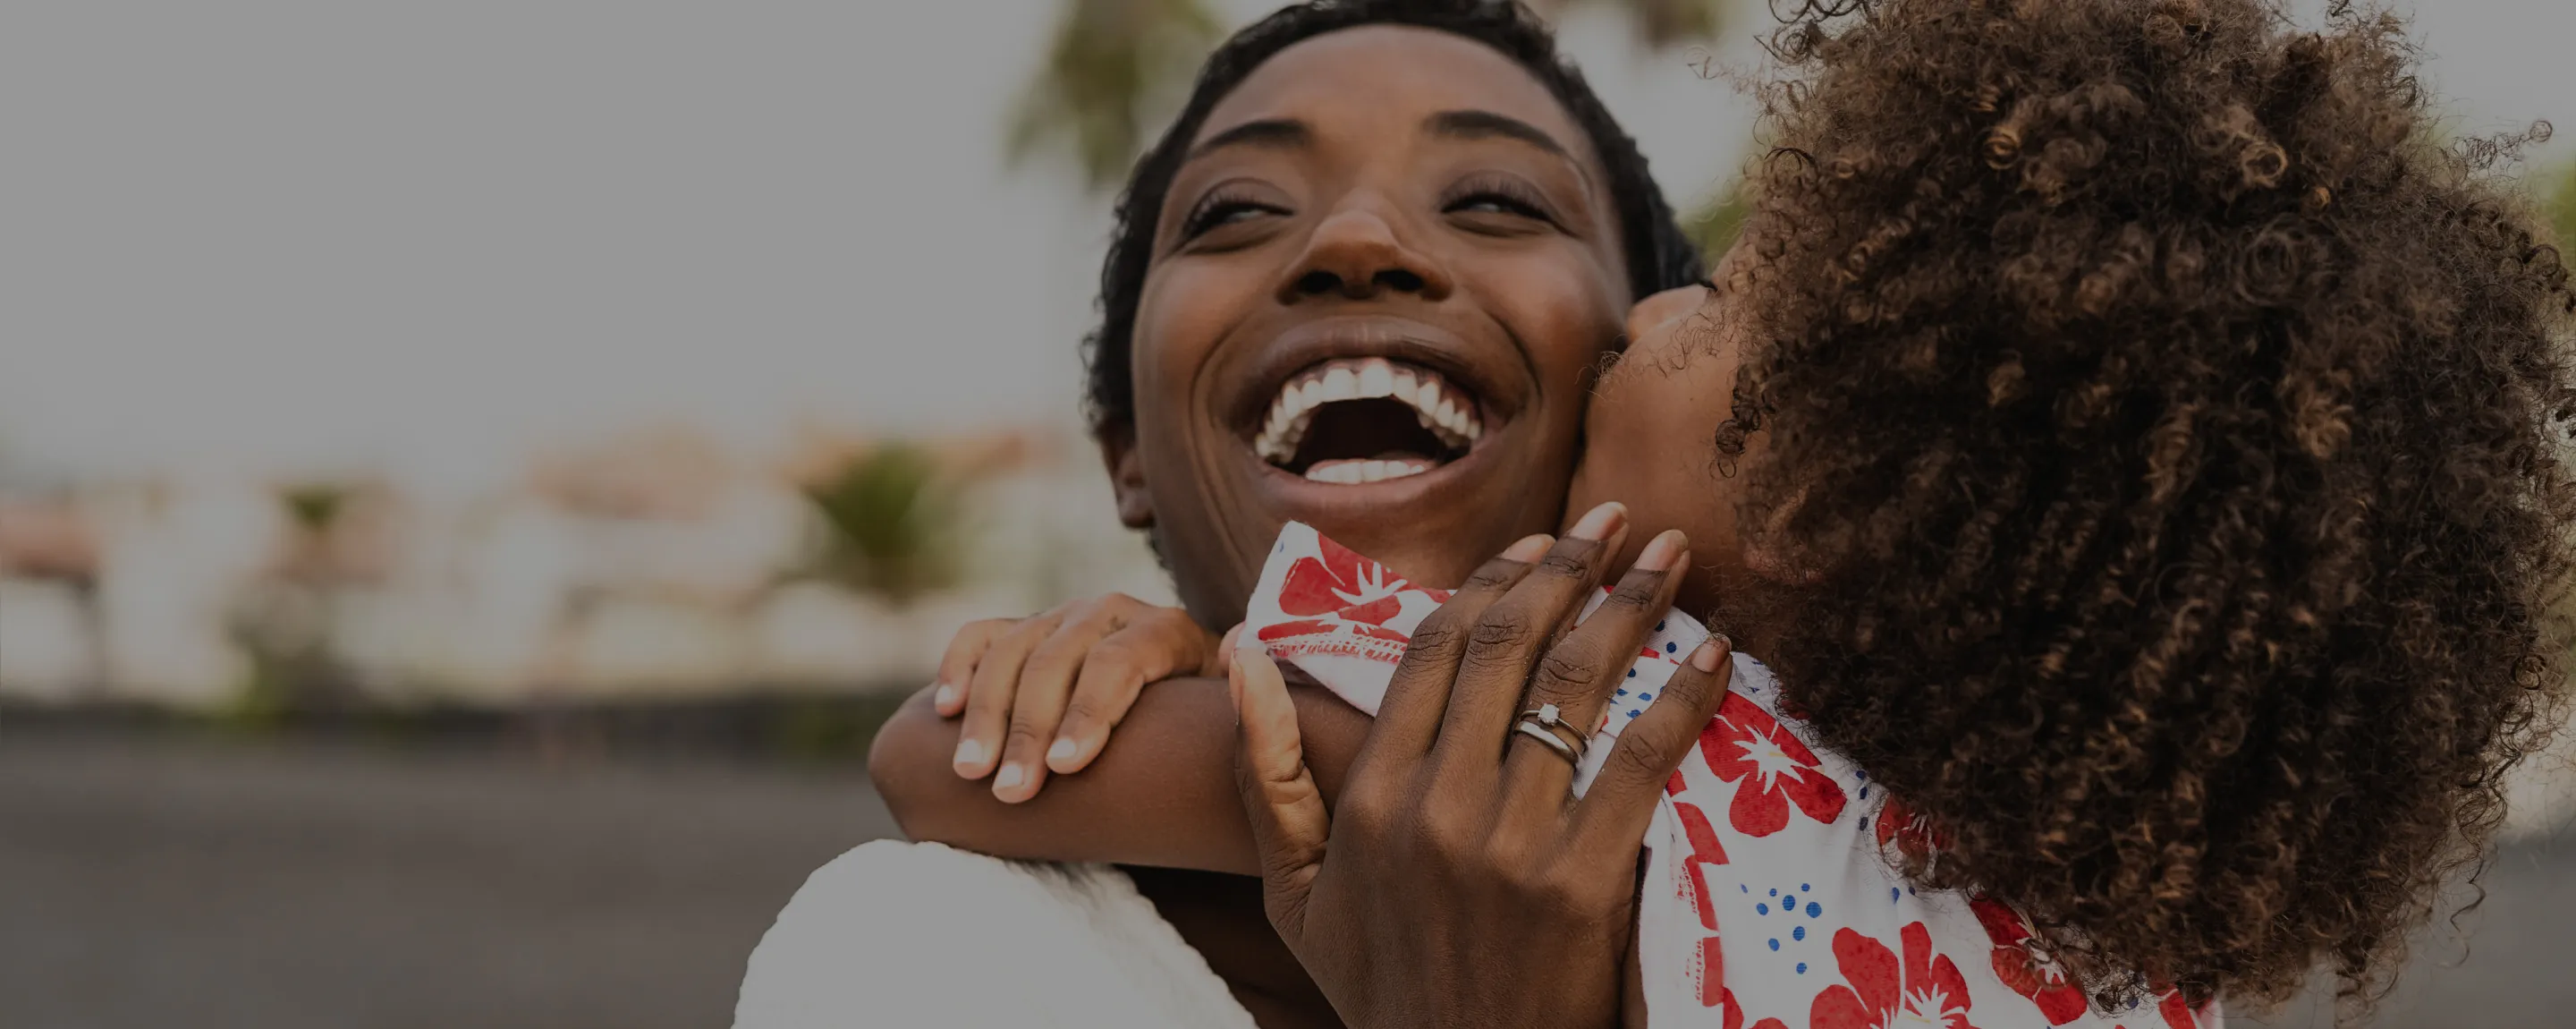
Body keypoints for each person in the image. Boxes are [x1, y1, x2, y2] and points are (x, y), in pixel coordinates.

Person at [892, 0, 2576, 1023]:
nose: (1661, 316)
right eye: (1242, 207)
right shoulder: (2081, 950)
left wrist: (1160, 669)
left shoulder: (1597, 720)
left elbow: (947, 761)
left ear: (1827, 496)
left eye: (1728, 305)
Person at [737, 2, 1705, 1026]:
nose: (1356, 240)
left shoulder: (1877, 819)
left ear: (1650, 376)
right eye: (1236, 211)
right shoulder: (927, 958)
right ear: (1127, 455)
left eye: (1495, 199)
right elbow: (922, 757)